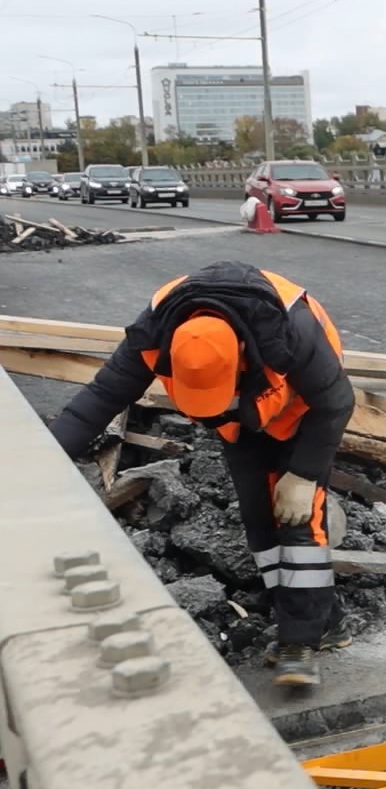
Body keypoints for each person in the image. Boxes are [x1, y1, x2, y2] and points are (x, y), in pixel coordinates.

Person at [50, 261, 354, 689]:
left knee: (299, 526)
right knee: (260, 525)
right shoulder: (154, 332)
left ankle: (298, 646)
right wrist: (46, 461)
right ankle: (328, 621)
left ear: (241, 362)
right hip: (242, 424)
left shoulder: (292, 330)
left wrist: (303, 476)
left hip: (304, 418)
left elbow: (337, 402)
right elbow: (99, 399)